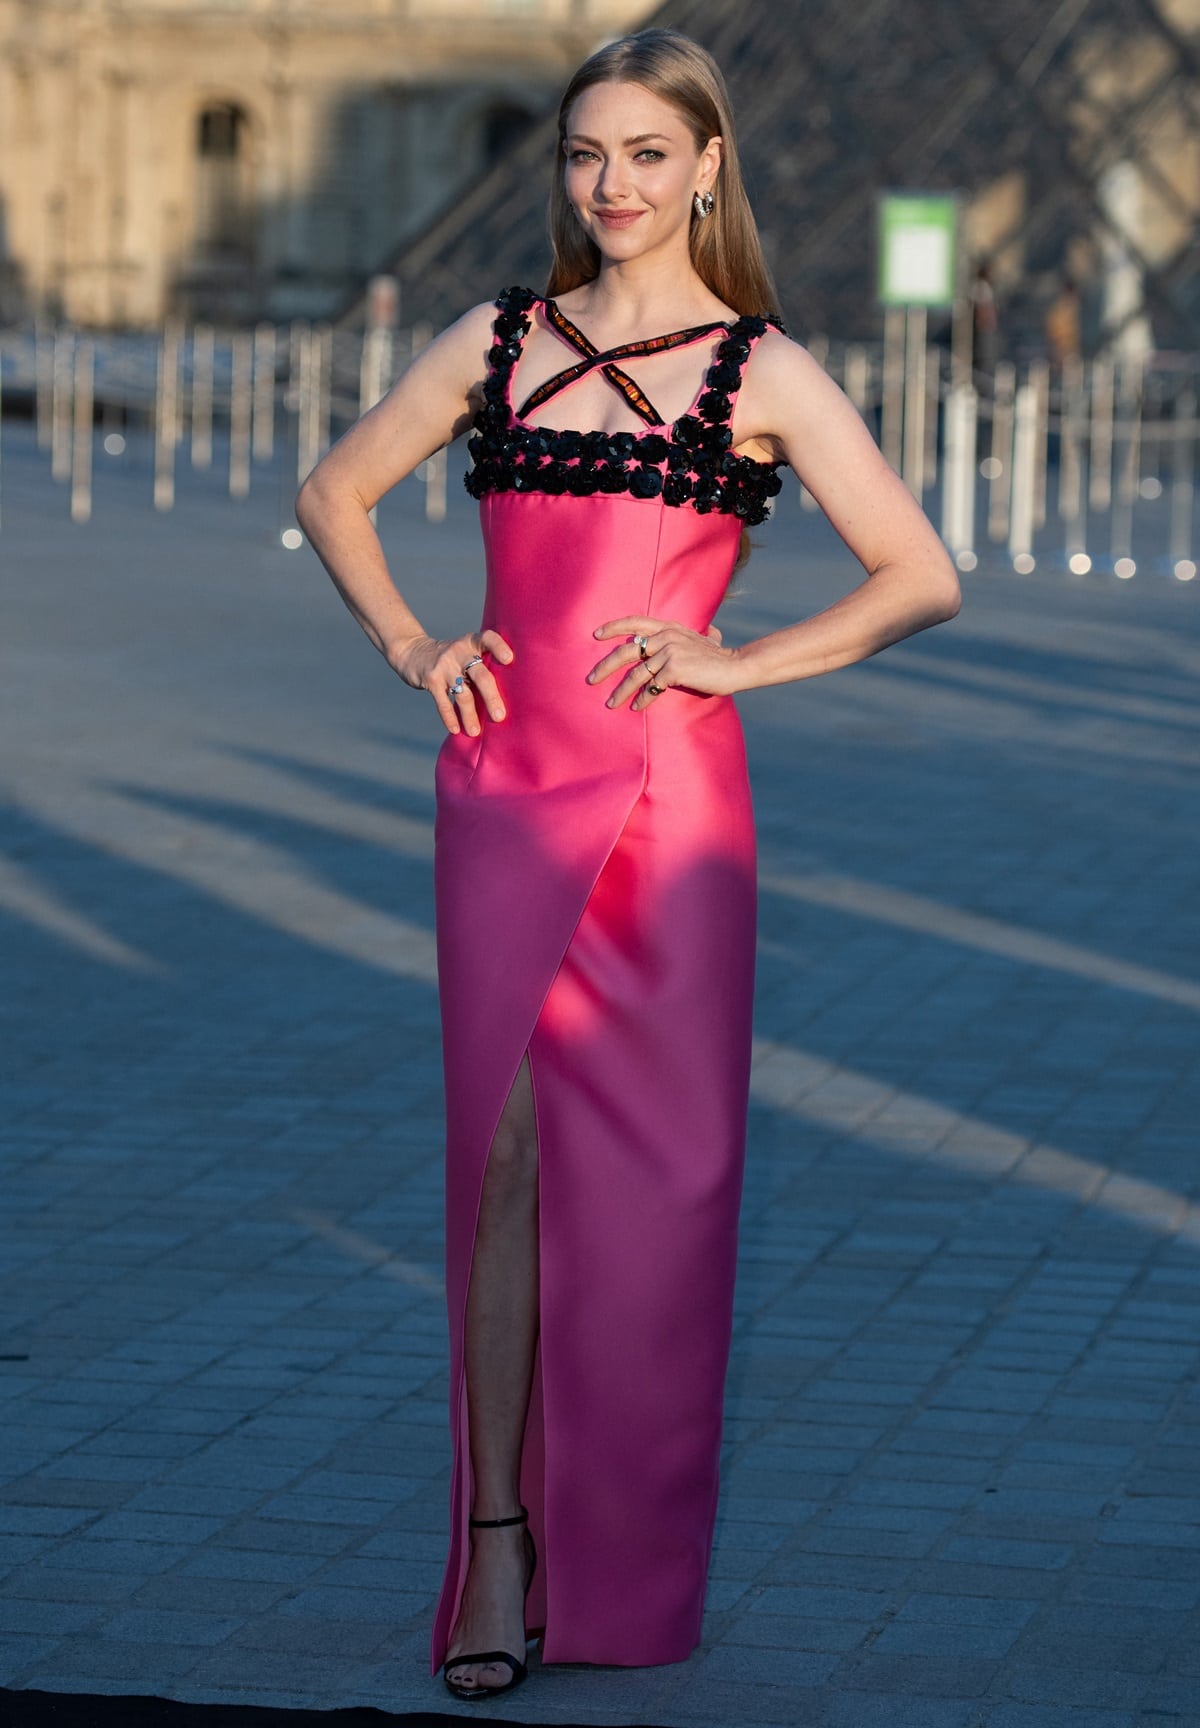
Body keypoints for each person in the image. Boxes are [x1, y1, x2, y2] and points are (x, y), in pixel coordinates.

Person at [295, 25, 960, 1704]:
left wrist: (740, 662)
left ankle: (628, 1558)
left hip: (676, 811)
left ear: (708, 165)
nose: (614, 185)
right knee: (501, 1168)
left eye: (649, 154)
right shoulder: (497, 336)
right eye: (589, 154)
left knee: (659, 1196)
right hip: (507, 790)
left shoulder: (765, 368)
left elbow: (919, 575)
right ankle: (501, 1543)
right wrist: (408, 647)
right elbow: (336, 488)